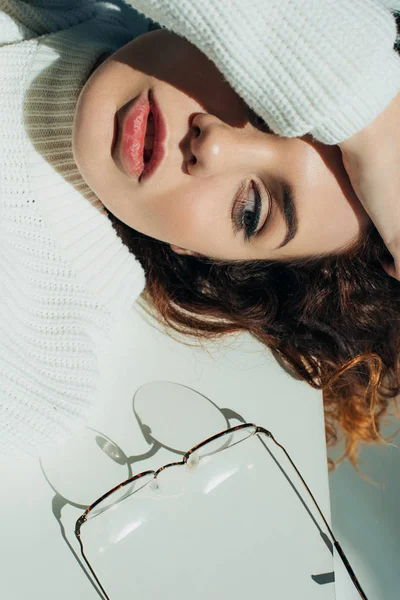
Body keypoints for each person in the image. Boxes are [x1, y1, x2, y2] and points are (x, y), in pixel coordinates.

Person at [1, 0, 399, 470]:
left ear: (207, 257)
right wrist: (372, 111)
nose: (212, 145)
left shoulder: (37, 369)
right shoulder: (77, 8)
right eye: (267, 98)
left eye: (250, 211)